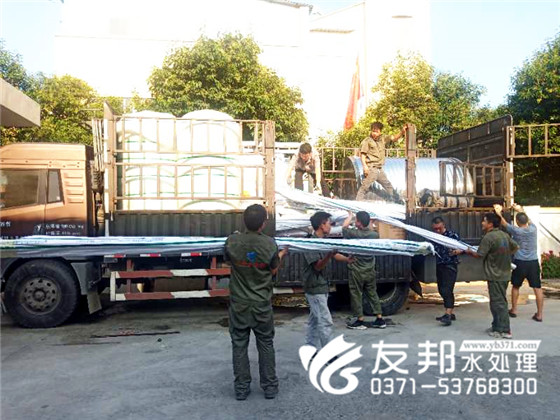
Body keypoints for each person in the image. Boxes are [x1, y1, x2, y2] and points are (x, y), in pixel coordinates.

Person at [225, 204, 288, 401]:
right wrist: (282, 255)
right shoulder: (270, 244)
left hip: (239, 304)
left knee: (239, 344)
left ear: (244, 221)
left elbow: (229, 261)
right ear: (263, 223)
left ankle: (241, 389)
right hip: (261, 304)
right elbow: (273, 269)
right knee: (266, 343)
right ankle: (270, 387)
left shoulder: (232, 241)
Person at [303, 211, 354, 350]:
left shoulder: (324, 240)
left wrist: (347, 259)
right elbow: (318, 266)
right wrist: (329, 255)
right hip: (315, 287)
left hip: (322, 285)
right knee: (325, 321)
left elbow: (334, 254)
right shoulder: (310, 243)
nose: (330, 226)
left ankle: (309, 348)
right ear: (322, 225)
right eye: (329, 223)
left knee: (315, 320)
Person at [466, 212, 519, 339]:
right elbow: (516, 247)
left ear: (490, 224)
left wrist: (469, 252)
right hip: (505, 274)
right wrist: (504, 255)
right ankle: (496, 326)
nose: (482, 223)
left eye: (484, 221)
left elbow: (480, 254)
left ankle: (504, 330)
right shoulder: (504, 235)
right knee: (498, 301)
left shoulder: (489, 237)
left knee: (498, 303)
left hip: (495, 275)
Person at [494, 203, 544, 322]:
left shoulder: (516, 231)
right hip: (533, 262)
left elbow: (503, 223)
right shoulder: (533, 229)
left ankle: (514, 310)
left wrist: (498, 212)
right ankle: (539, 314)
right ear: (526, 221)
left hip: (520, 262)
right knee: (537, 288)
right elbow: (528, 219)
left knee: (516, 286)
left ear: (517, 221)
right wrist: (520, 209)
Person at [342, 211, 386, 330]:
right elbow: (369, 231)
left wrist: (349, 216)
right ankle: (379, 318)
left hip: (357, 270)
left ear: (359, 223)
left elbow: (344, 228)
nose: (355, 222)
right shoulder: (374, 235)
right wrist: (369, 223)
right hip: (370, 269)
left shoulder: (354, 234)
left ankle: (360, 320)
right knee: (372, 293)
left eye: (356, 220)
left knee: (356, 294)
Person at [355, 122, 407, 203]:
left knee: (388, 185)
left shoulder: (383, 139)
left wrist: (402, 132)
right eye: (373, 131)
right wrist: (365, 167)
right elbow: (363, 154)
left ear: (380, 132)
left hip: (379, 169)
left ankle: (399, 202)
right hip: (371, 168)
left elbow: (394, 138)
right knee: (364, 187)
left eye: (376, 131)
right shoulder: (367, 141)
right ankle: (357, 203)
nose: (374, 133)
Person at [431, 217, 463, 326]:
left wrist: (457, 251)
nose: (437, 231)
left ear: (443, 225)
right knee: (441, 289)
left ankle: (448, 314)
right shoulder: (434, 236)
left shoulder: (452, 235)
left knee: (447, 289)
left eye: (439, 228)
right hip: (440, 265)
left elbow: (463, 247)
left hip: (450, 265)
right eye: (435, 229)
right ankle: (450, 312)